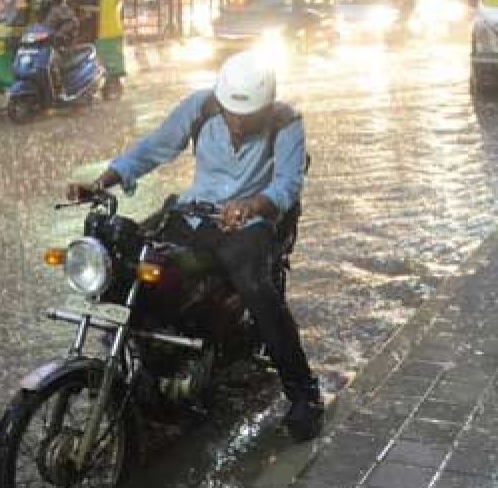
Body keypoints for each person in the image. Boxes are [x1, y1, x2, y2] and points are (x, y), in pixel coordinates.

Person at [66, 51, 325, 442]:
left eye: (249, 116)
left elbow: (288, 183)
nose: (238, 123)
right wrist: (103, 181)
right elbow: (155, 147)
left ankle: (304, 392)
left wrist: (251, 206)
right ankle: (147, 361)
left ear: (266, 107)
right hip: (192, 214)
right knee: (130, 263)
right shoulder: (200, 107)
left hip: (249, 225)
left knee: (257, 289)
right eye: (231, 114)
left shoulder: (286, 122)